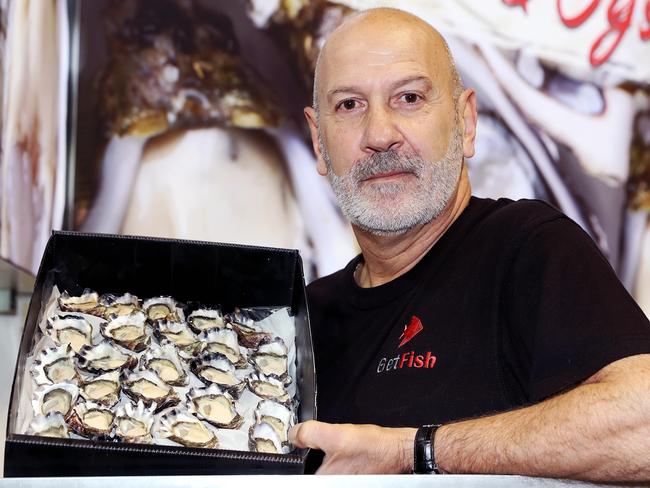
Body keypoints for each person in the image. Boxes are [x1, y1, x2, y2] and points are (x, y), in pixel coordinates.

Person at [288, 7, 650, 480]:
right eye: (350, 105)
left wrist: (413, 451)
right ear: (319, 142)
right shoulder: (303, 321)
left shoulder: (526, 247)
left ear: (466, 122)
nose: (379, 135)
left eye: (409, 97)